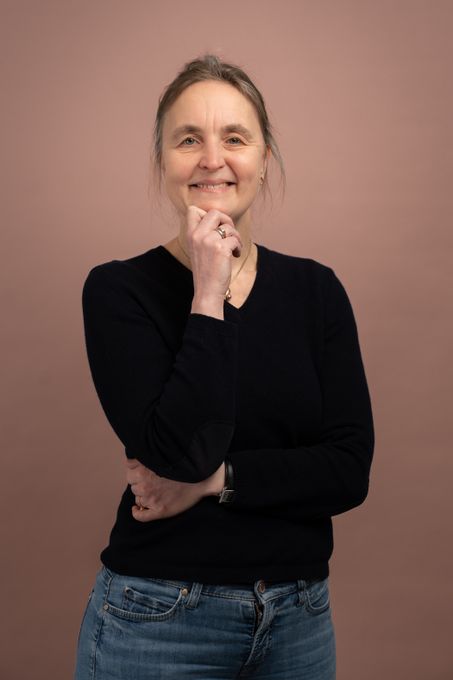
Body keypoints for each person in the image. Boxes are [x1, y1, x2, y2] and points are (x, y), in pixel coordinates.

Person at [74, 53, 374, 680]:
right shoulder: (118, 291)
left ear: (264, 160)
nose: (213, 159)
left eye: (235, 138)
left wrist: (215, 482)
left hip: (299, 622)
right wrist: (209, 293)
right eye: (189, 140)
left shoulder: (317, 291)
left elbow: (348, 471)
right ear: (163, 163)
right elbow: (178, 452)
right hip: (159, 620)